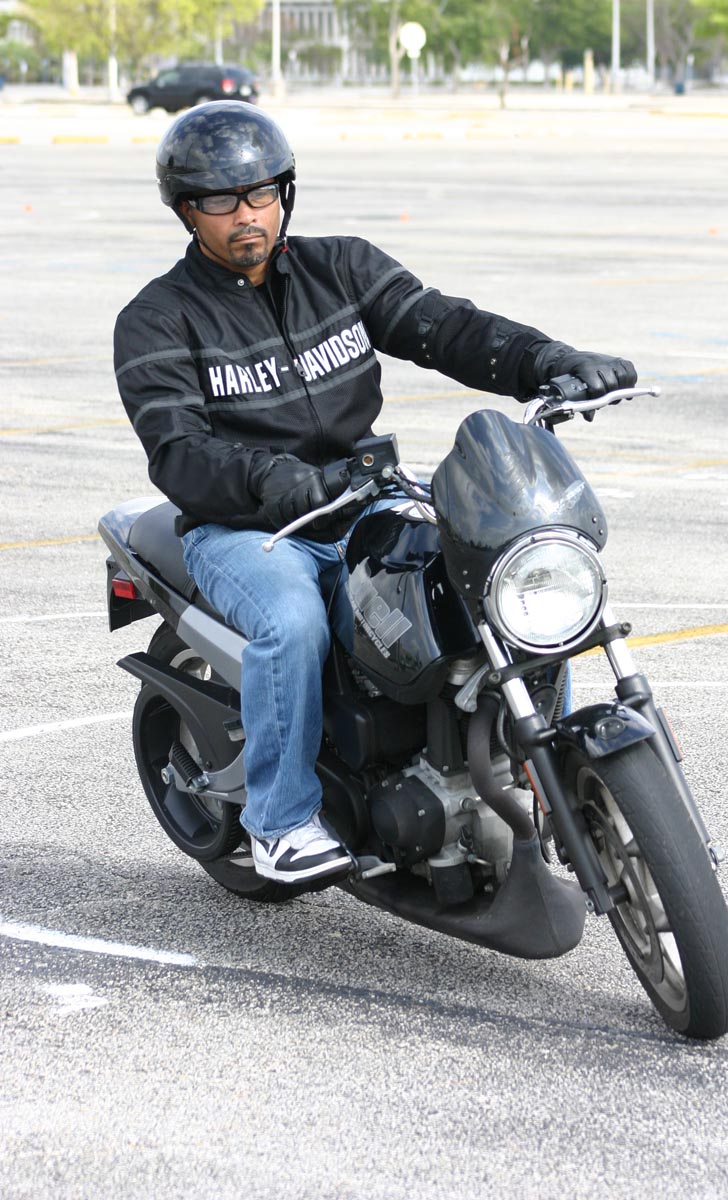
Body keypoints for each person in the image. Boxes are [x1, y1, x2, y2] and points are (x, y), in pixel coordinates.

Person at [114, 100, 636, 888]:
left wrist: (551, 361)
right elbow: (178, 452)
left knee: (498, 577)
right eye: (220, 201)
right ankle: (280, 823)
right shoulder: (158, 319)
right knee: (292, 622)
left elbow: (447, 327)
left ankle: (538, 766)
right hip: (246, 530)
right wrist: (279, 482)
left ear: (284, 194)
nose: (246, 215)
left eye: (260, 193)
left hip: (365, 500)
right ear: (187, 211)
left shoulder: (343, 269)